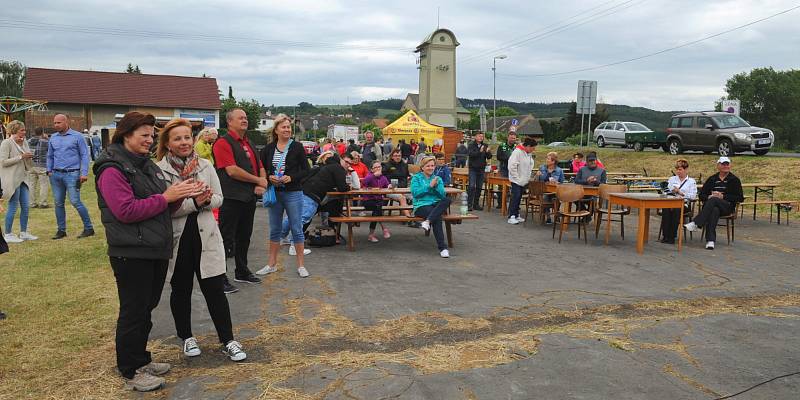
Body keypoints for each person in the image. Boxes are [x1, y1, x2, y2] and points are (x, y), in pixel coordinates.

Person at [94, 111, 199, 392]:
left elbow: (161, 205)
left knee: (146, 309)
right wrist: (166, 197)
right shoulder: (112, 169)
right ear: (126, 135)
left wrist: (181, 196)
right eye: (144, 135)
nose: (150, 140)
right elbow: (125, 211)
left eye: (152, 135)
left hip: (153, 248)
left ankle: (141, 359)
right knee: (133, 312)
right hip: (130, 251)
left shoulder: (146, 166)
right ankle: (130, 370)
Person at [155, 118, 246, 363]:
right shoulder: (159, 170)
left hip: (206, 235)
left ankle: (228, 340)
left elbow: (219, 198)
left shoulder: (205, 165)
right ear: (168, 143)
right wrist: (194, 202)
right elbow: (165, 207)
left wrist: (206, 200)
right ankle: (186, 337)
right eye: (177, 138)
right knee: (181, 289)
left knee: (215, 290)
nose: (184, 142)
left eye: (187, 137)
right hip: (179, 238)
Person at [213, 108, 267, 293]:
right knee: (226, 239)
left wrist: (263, 182)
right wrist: (258, 181)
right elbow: (232, 170)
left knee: (244, 237)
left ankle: (242, 271)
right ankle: (220, 278)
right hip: (230, 198)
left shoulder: (249, 142)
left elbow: (259, 166)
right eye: (240, 118)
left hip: (248, 198)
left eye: (245, 117)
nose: (245, 120)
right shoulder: (222, 143)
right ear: (229, 122)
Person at [259, 114, 311, 277]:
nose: (287, 129)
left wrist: (292, 177)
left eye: (289, 127)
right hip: (275, 193)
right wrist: (269, 177)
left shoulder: (297, 147)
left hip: (293, 193)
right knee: (275, 229)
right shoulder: (268, 149)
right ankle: (271, 264)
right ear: (276, 130)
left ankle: (301, 265)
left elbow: (306, 170)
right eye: (284, 127)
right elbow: (262, 169)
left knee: (297, 228)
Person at [47, 114, 94, 239]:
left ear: (66, 122)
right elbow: (50, 155)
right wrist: (49, 170)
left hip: (73, 174)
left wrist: (84, 173)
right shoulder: (53, 138)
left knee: (75, 201)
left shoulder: (77, 136)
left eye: (59, 122)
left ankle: (89, 228)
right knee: (58, 203)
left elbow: (85, 155)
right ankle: (61, 231)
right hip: (56, 175)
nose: (56, 125)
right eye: (55, 123)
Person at [684, 157, 743, 250]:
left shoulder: (734, 180)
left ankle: (697, 223)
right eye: (723, 164)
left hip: (727, 207)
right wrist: (708, 197)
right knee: (714, 209)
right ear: (718, 166)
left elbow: (740, 198)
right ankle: (710, 241)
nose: (726, 166)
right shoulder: (712, 179)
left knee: (714, 200)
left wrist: (723, 196)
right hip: (712, 207)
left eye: (727, 164)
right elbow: (701, 195)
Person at [1, 121, 37, 243]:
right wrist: (21, 156)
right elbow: (3, 162)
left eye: (24, 130)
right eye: (22, 130)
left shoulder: (24, 142)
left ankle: (23, 232)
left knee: (26, 206)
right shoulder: (6, 143)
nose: (24, 132)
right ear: (15, 130)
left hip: (24, 179)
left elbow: (28, 162)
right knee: (13, 206)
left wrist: (26, 153)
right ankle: (8, 233)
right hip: (12, 179)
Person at [411, 156, 452, 258]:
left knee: (447, 200)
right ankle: (443, 248)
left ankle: (427, 221)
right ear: (422, 167)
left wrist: (436, 187)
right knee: (437, 217)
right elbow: (416, 194)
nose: (430, 168)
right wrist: (429, 186)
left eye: (432, 166)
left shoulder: (437, 178)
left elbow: (442, 195)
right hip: (421, 205)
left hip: (435, 204)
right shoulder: (416, 178)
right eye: (428, 166)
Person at [660, 159, 697, 244]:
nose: (678, 171)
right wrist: (671, 191)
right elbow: (665, 192)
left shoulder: (691, 181)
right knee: (666, 209)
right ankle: (665, 235)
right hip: (670, 202)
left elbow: (693, 196)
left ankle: (672, 236)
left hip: (684, 204)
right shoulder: (672, 179)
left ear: (686, 169)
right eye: (677, 169)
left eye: (680, 169)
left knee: (676, 209)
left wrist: (681, 193)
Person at [507, 137, 537, 225]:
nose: (533, 150)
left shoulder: (528, 153)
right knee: (515, 197)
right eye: (533, 148)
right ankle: (511, 216)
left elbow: (529, 165)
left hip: (524, 180)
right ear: (527, 146)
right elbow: (512, 166)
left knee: (519, 197)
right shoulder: (517, 152)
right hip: (517, 180)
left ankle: (516, 214)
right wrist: (517, 178)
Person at [362, 160, 392, 242]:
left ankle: (371, 235)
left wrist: (390, 186)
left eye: (379, 167)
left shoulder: (383, 177)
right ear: (372, 169)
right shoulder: (369, 176)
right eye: (376, 167)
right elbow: (364, 182)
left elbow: (387, 185)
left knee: (376, 211)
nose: (378, 168)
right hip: (368, 200)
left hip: (378, 201)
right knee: (378, 209)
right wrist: (373, 175)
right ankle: (384, 228)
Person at [537, 152, 565, 224]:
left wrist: (557, 182)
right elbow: (537, 181)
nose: (546, 160)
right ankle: (548, 216)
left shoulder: (559, 170)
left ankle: (556, 215)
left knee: (557, 197)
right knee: (546, 197)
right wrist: (537, 175)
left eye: (548, 159)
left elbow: (562, 182)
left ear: (553, 161)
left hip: (554, 191)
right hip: (543, 190)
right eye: (547, 158)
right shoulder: (542, 167)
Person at [467, 132, 492, 211]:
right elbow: (471, 155)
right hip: (473, 169)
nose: (481, 138)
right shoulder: (471, 145)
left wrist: (488, 152)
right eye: (479, 136)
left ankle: (476, 204)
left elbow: (489, 157)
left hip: (481, 169)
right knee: (471, 186)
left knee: (479, 187)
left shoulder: (485, 145)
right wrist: (479, 151)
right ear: (475, 137)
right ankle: (469, 204)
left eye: (482, 136)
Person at [28, 127, 50, 208]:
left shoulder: (29, 141)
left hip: (31, 165)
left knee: (31, 185)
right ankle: (43, 203)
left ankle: (32, 203)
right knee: (43, 185)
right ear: (42, 132)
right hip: (42, 165)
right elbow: (51, 151)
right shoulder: (45, 142)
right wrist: (47, 138)